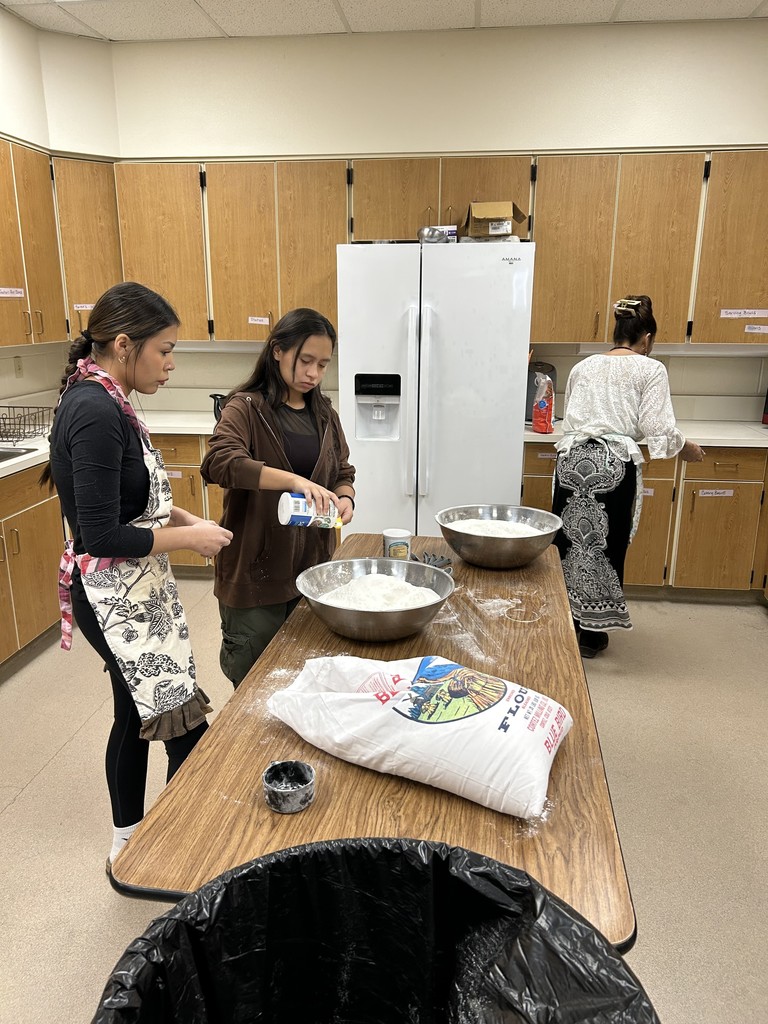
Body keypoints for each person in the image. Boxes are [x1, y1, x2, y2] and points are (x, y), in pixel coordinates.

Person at [41, 282, 233, 869]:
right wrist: (190, 538)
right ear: (124, 345)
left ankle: (149, 833)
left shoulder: (106, 397)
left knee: (144, 708)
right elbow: (100, 535)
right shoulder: (95, 410)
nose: (172, 364)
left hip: (132, 587)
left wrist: (180, 516)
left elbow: (128, 499)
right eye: (166, 350)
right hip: (108, 592)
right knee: (153, 710)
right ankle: (142, 840)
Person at [201, 307, 356, 687]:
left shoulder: (324, 413)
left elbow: (342, 471)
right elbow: (219, 463)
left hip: (311, 571)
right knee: (256, 691)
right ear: (277, 351)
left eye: (323, 365)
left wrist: (345, 497)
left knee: (305, 685)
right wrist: (292, 481)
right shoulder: (247, 408)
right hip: (256, 577)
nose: (313, 374)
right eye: (305, 361)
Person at [552, 295, 704, 659]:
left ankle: (565, 622)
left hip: (572, 459)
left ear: (616, 330)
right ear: (647, 338)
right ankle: (590, 634)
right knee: (605, 543)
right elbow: (657, 427)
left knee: (569, 544)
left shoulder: (583, 366)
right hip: (611, 463)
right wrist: (688, 448)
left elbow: (570, 414)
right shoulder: (650, 369)